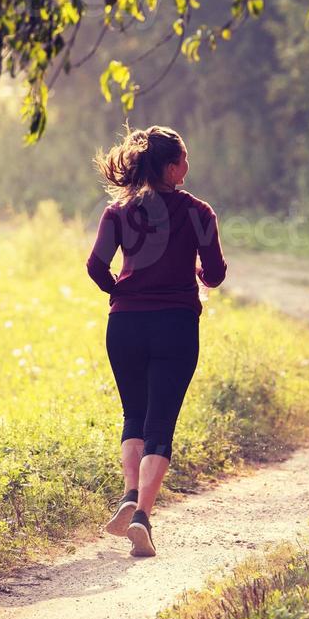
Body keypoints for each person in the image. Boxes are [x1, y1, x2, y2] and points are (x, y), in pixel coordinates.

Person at [86, 124, 227, 558]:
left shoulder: (118, 212)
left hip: (125, 325)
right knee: (160, 424)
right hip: (176, 325)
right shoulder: (199, 212)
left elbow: (95, 266)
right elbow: (216, 273)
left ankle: (130, 494)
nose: (188, 165)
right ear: (171, 168)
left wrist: (123, 291)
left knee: (135, 415)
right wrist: (199, 276)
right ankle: (142, 518)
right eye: (184, 158)